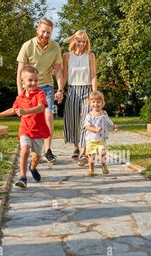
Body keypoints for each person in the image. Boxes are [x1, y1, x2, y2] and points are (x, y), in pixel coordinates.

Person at [0, 66, 49, 188]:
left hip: (38, 130)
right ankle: (23, 177)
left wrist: (26, 111)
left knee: (36, 157)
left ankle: (32, 168)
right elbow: (13, 109)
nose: (33, 83)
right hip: (25, 129)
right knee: (24, 150)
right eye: (30, 80)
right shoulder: (20, 97)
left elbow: (41, 107)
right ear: (23, 81)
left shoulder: (40, 93)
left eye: (36, 80)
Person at [16, 18, 63, 163]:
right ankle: (31, 149)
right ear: (37, 30)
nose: (45, 35)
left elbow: (59, 71)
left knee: (48, 116)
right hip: (29, 88)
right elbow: (19, 72)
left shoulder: (55, 47)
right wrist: (20, 95)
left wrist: (60, 89)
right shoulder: (27, 46)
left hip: (47, 86)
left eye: (48, 33)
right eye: (43, 31)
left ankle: (48, 150)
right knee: (31, 118)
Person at [62, 30, 97, 165]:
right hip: (72, 90)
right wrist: (60, 89)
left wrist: (95, 93)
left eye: (84, 41)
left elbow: (93, 75)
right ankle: (76, 147)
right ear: (74, 41)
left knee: (85, 122)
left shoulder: (90, 56)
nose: (81, 43)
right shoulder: (67, 56)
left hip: (86, 90)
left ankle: (83, 153)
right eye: (79, 41)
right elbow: (64, 75)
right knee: (72, 120)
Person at [83, 91, 118, 176]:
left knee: (102, 153)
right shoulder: (89, 115)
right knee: (91, 157)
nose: (96, 104)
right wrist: (94, 129)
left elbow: (109, 122)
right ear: (90, 103)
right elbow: (86, 126)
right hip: (91, 140)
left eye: (98, 102)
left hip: (101, 139)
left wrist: (114, 126)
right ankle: (91, 169)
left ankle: (103, 165)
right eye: (93, 102)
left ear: (102, 103)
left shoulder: (104, 114)